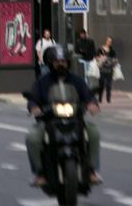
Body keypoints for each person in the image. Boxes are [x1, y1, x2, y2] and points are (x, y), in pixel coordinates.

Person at [24, 46, 102, 186]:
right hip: (48, 121)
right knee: (32, 138)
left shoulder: (77, 80)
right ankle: (40, 172)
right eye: (57, 61)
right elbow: (33, 98)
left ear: (68, 63)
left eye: (63, 61)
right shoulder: (42, 81)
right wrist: (34, 107)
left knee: (93, 132)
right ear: (50, 63)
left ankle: (91, 170)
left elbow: (87, 95)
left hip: (75, 119)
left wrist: (92, 103)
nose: (60, 64)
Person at [96, 37, 117, 103]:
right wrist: (101, 58)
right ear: (105, 41)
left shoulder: (112, 51)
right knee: (101, 85)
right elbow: (96, 57)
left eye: (110, 42)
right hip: (102, 69)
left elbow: (115, 59)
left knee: (109, 85)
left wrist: (113, 61)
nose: (109, 43)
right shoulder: (100, 49)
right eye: (108, 41)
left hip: (109, 69)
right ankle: (100, 99)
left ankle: (108, 99)